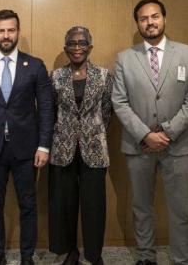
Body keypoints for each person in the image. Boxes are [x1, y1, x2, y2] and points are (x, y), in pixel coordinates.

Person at [112, 0, 188, 265]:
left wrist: (167, 132)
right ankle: (145, 257)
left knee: (181, 209)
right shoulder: (125, 59)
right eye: (144, 18)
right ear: (137, 23)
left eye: (155, 16)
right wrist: (145, 135)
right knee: (141, 208)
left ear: (164, 18)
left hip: (178, 146)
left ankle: (181, 258)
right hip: (138, 145)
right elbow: (119, 101)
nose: (150, 22)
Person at [0, 9, 54, 265]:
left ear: (18, 31)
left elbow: (46, 108)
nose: (6, 36)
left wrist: (44, 146)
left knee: (28, 204)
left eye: (11, 30)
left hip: (27, 149)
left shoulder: (35, 65)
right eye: (2, 30)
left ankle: (27, 256)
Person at [49, 26, 113, 265]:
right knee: (64, 204)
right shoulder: (54, 76)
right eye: (72, 44)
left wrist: (91, 132)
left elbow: (107, 112)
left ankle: (94, 254)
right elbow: (52, 111)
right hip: (62, 148)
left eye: (82, 43)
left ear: (90, 47)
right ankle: (70, 252)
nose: (77, 48)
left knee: (94, 204)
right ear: (65, 48)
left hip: (94, 148)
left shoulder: (105, 76)